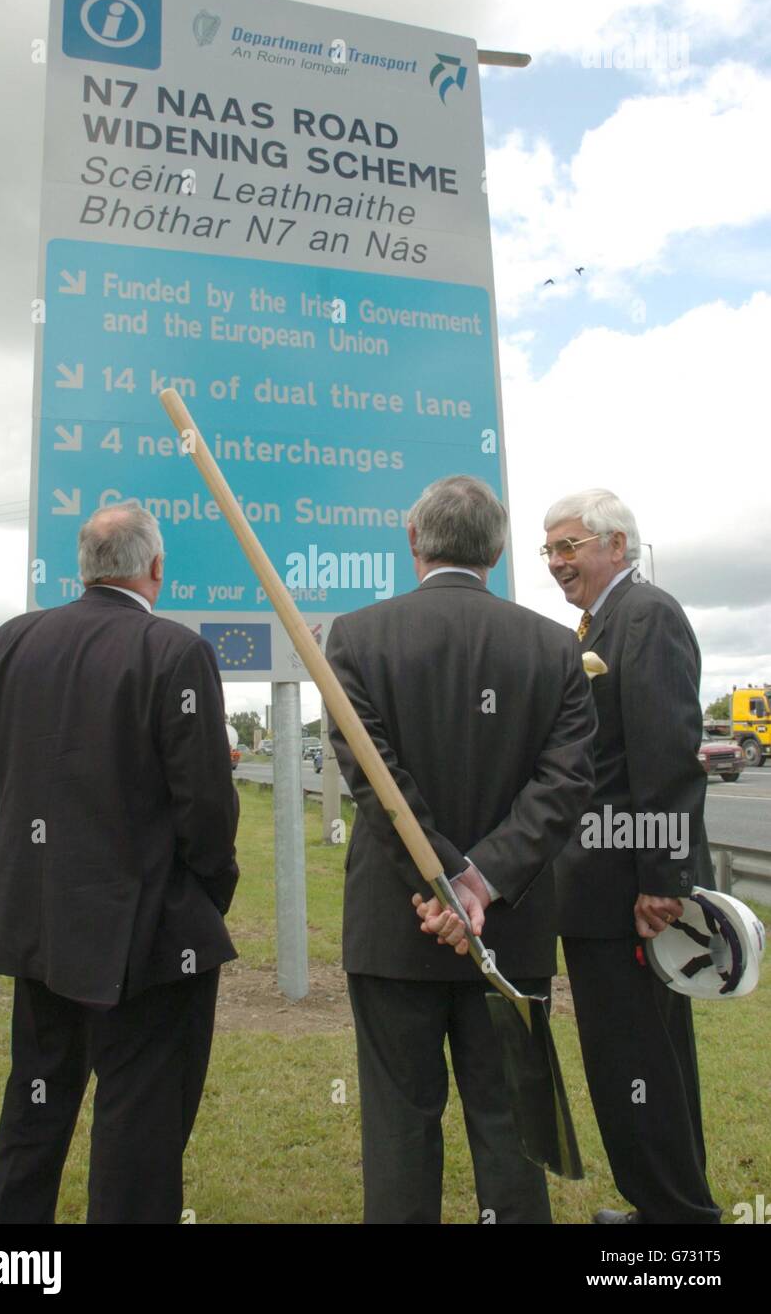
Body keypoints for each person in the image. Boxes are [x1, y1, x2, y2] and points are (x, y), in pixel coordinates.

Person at [0, 499, 239, 1224]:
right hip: (145, 937)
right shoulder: (175, 651)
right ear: (155, 569)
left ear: (85, 567)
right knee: (139, 1119)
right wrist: (208, 893)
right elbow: (205, 804)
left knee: (35, 1103)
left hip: (38, 926)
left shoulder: (14, 641)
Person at [325, 475, 596, 1224]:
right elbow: (565, 784)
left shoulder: (352, 638)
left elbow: (375, 787)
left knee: (398, 1127)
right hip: (507, 927)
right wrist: (479, 882)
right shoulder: (551, 646)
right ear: (500, 550)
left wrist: (452, 881)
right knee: (510, 1129)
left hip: (395, 925)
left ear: (412, 540)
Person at [541, 487, 720, 1224]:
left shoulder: (645, 616)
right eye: (548, 549)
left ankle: (677, 1225)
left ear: (616, 546)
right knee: (635, 1061)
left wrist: (661, 882)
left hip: (631, 896)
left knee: (638, 1060)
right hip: (605, 890)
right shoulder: (602, 621)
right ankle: (662, 1207)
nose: (555, 562)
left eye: (568, 546)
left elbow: (666, 756)